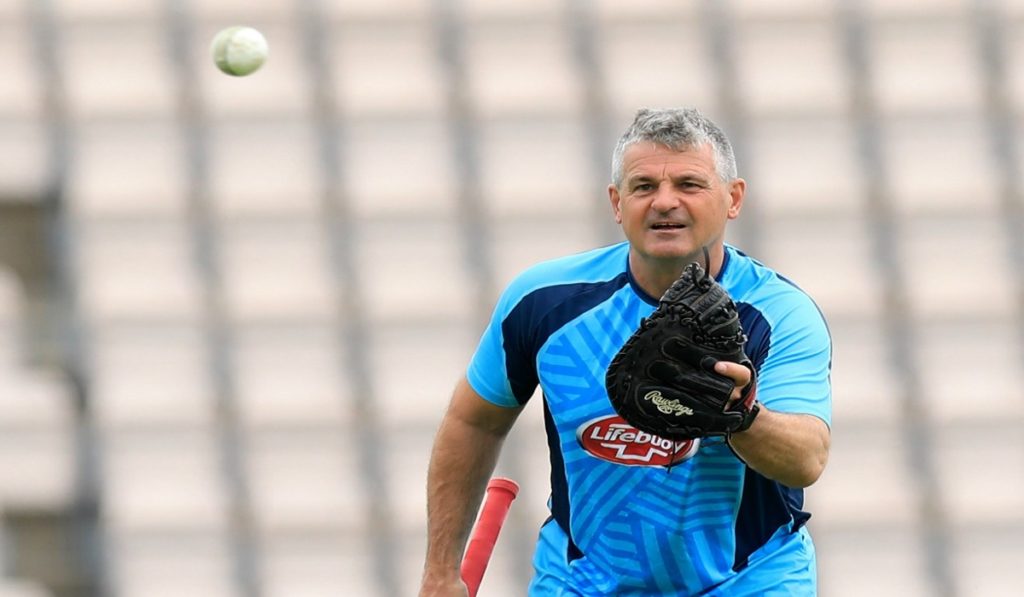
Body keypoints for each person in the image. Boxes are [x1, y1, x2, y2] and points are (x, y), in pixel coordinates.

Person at [419, 108, 832, 596]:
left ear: (733, 199)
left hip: (747, 580)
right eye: (643, 187)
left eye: (689, 184)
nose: (665, 202)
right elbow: (474, 421)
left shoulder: (778, 313)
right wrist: (440, 573)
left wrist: (740, 415)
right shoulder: (543, 303)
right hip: (583, 579)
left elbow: (807, 460)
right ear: (617, 203)